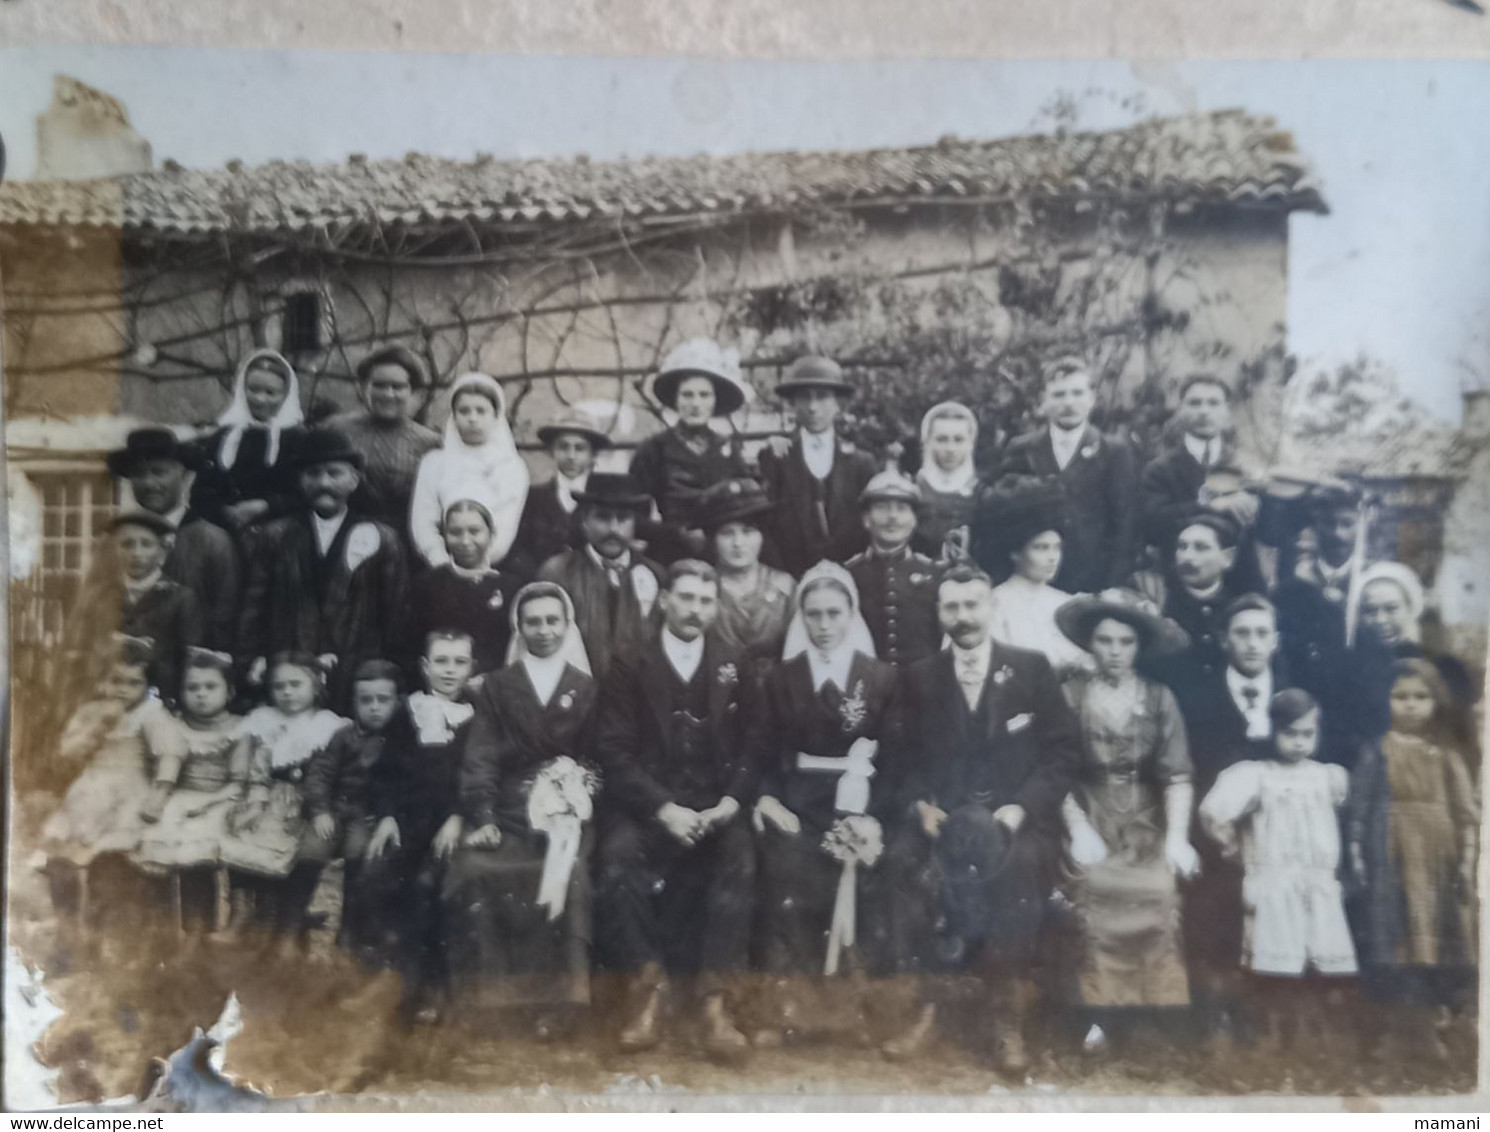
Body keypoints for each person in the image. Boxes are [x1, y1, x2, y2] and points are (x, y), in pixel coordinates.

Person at [878, 565, 1081, 1074]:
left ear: (992, 608)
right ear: (939, 613)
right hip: (943, 821)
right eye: (952, 607)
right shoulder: (919, 676)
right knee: (903, 866)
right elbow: (895, 761)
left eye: (973, 605)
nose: (963, 617)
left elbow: (1062, 756)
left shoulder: (1032, 669)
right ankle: (928, 1007)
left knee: (1020, 872)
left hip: (1015, 819)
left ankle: (1003, 1016)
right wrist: (920, 807)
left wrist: (1022, 806)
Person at [593, 561, 764, 1061]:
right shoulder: (630, 663)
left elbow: (755, 744)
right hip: (649, 807)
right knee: (619, 857)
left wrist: (730, 802)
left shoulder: (735, 660)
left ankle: (715, 1003)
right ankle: (649, 992)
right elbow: (614, 750)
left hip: (713, 806)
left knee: (739, 857)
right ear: (664, 599)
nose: (696, 610)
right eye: (686, 598)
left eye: (706, 601)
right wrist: (662, 808)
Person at [750, 562, 897, 1044]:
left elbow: (897, 757)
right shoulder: (781, 677)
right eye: (814, 615)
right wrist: (768, 799)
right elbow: (763, 752)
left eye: (835, 613)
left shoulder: (879, 677)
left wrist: (876, 816)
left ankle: (852, 1011)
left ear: (852, 614)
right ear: (802, 618)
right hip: (799, 798)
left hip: (861, 802)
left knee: (864, 875)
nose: (825, 625)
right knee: (789, 872)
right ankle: (786, 1008)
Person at [444, 582, 600, 1031]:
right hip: (509, 810)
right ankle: (487, 999)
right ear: (520, 626)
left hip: (569, 813)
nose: (544, 630)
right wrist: (485, 817)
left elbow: (595, 757)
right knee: (474, 871)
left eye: (553, 620)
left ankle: (559, 1004)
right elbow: (482, 757)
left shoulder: (586, 687)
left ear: (567, 625)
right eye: (533, 621)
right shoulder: (496, 686)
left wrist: (577, 791)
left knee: (568, 875)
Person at [1052, 589, 1196, 1053]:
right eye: (1104, 640)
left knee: (1157, 888)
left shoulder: (1160, 698)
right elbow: (1055, 770)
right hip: (1087, 810)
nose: (1114, 651)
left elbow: (1176, 775)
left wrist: (1176, 838)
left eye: (1125, 642)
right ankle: (1100, 1016)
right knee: (1095, 888)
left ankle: (1155, 1015)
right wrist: (1077, 827)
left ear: (1139, 647)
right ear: (1090, 644)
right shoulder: (1071, 695)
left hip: (1144, 820)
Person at [1200, 690, 1358, 1052]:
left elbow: (1347, 820)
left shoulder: (1328, 778)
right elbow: (1214, 813)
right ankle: (1270, 1029)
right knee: (1275, 960)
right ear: (1272, 732)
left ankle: (1312, 1033)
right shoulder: (1258, 776)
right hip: (1275, 879)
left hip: (1316, 881)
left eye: (1307, 734)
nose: (1299, 743)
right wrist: (1236, 849)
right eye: (1290, 734)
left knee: (1318, 957)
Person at [1170, 594, 1287, 1044]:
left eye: (1261, 633)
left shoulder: (1293, 698)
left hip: (1279, 832)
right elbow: (1190, 770)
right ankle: (1216, 1006)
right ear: (1223, 640)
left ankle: (1267, 1006)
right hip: (1214, 830)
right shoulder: (1200, 700)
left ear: (1275, 641)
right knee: (1214, 899)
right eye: (1241, 633)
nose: (1252, 644)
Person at [1347, 659, 1478, 1060]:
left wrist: (1467, 862)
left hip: (1437, 858)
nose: (1410, 705)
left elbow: (1466, 817)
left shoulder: (1446, 756)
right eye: (1400, 697)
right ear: (1386, 701)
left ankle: (1431, 1027)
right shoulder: (1376, 752)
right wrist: (1357, 853)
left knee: (1435, 936)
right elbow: (1359, 811)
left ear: (1436, 702)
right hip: (1391, 855)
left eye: (1420, 697)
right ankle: (1399, 1028)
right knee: (1395, 936)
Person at [237, 428, 408, 711]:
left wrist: (390, 673)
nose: (323, 482)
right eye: (313, 473)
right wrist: (250, 660)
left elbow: (396, 616)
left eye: (334, 473)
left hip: (355, 672)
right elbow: (253, 607)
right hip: (290, 673)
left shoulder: (382, 538)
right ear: (301, 480)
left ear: (354, 479)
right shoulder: (276, 536)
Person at [42, 636, 187, 938]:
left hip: (128, 792)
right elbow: (67, 752)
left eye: (133, 683)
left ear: (147, 685)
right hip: (90, 791)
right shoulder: (93, 711)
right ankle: (67, 927)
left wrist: (159, 794)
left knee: (110, 858)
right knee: (66, 853)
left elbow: (170, 755)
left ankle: (109, 929)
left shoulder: (150, 714)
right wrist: (92, 731)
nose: (122, 689)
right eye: (115, 680)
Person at [366, 631, 478, 1024]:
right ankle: (389, 972)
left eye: (459, 662)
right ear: (426, 667)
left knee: (430, 885)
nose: (450, 670)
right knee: (379, 873)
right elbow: (386, 772)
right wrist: (387, 817)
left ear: (472, 668)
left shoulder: (476, 716)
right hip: (409, 819)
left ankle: (432, 982)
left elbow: (476, 774)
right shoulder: (407, 712)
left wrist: (459, 816)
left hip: (452, 822)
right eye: (442, 662)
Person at [217, 654, 348, 956]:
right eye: (278, 686)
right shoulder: (262, 719)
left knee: (299, 849)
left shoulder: (327, 725)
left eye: (295, 684)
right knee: (244, 832)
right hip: (261, 793)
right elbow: (251, 765)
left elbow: (331, 775)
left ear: (316, 685)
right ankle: (243, 914)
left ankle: (289, 925)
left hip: (306, 803)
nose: (287, 693)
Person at [993, 358, 1137, 591]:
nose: (1069, 403)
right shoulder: (1022, 448)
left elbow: (1125, 526)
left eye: (1077, 393)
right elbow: (1007, 521)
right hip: (1036, 580)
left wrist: (1112, 585)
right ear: (1044, 401)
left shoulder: (1114, 451)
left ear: (1091, 399)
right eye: (1059, 395)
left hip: (1093, 580)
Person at [135, 648, 246, 940]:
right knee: (155, 850)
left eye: (211, 687)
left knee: (197, 856)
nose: (201, 695)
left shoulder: (239, 729)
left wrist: (208, 803)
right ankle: (161, 929)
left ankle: (198, 929)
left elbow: (239, 782)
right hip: (176, 799)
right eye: (192, 688)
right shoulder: (172, 725)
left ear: (230, 692)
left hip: (218, 801)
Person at [299, 659, 404, 963]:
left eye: (383, 700)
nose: (374, 708)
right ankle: (293, 927)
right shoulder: (343, 736)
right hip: (335, 809)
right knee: (308, 852)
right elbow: (320, 773)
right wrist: (320, 810)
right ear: (354, 703)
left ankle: (349, 932)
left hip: (367, 815)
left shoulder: (400, 741)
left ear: (397, 702)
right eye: (365, 700)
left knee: (361, 858)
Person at [104, 427, 240, 651]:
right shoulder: (115, 543)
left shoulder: (212, 541)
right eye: (139, 473)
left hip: (191, 675)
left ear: (184, 475)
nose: (149, 483)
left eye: (159, 472)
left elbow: (225, 622)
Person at [59, 512, 203, 716]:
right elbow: (78, 652)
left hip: (161, 705)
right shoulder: (98, 596)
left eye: (146, 544)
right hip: (104, 703)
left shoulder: (181, 598)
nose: (136, 553)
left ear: (162, 552)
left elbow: (192, 660)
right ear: (114, 551)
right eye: (127, 544)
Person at [1337, 562, 1478, 767]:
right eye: (1370, 611)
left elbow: (1463, 737)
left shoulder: (1445, 667)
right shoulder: (1351, 667)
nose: (1380, 619)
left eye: (1391, 608)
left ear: (1411, 607)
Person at [1137, 374, 1264, 593]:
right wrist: (1209, 504)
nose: (1204, 411)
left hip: (1239, 584)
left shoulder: (1246, 467)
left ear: (1226, 411)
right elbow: (1152, 526)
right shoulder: (1160, 469)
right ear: (1181, 410)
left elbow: (1263, 530)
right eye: (1195, 403)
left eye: (1213, 403)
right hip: (1178, 585)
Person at [629, 339, 751, 564]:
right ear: (676, 401)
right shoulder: (654, 449)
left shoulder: (727, 448)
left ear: (714, 401)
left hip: (722, 555)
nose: (696, 404)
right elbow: (632, 519)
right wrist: (677, 534)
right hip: (671, 555)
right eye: (687, 395)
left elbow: (747, 506)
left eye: (704, 395)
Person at [536, 473, 664, 683]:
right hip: (575, 695)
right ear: (585, 520)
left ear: (634, 523)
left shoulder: (654, 575)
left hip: (636, 700)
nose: (614, 529)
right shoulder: (556, 573)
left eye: (623, 519)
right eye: (603, 517)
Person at [757, 355, 878, 575]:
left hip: (849, 577)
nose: (812, 407)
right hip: (791, 575)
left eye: (822, 397)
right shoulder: (776, 457)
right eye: (804, 398)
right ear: (793, 404)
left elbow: (870, 527)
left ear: (838, 404)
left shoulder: (861, 462)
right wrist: (782, 575)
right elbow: (764, 526)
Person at [409, 372, 530, 568]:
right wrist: (440, 561)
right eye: (464, 411)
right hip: (439, 566)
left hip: (493, 566)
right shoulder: (434, 463)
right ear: (454, 416)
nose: (472, 418)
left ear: (496, 416)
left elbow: (506, 525)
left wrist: (480, 564)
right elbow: (423, 520)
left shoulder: (511, 466)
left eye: (481, 411)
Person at [189, 348, 307, 534]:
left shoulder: (298, 438)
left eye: (270, 392)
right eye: (253, 390)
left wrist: (266, 506)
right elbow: (200, 493)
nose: (260, 399)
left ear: (285, 395)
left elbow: (304, 494)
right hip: (224, 527)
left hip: (278, 530)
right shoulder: (224, 436)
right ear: (242, 390)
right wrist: (224, 512)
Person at [981, 479, 1091, 677]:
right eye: (1041, 548)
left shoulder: (1067, 602)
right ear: (1015, 553)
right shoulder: (996, 604)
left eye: (1057, 547)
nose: (1052, 557)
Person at [1271, 483, 1369, 704]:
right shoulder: (1290, 590)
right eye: (1329, 523)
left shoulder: (1373, 583)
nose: (1338, 534)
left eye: (1347, 524)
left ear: (1361, 526)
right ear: (1316, 527)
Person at [405, 499, 526, 677]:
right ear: (444, 536)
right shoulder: (426, 585)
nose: (465, 541)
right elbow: (410, 647)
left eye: (474, 531)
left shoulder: (511, 587)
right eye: (455, 532)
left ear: (491, 534)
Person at [329, 345, 441, 531]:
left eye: (398, 387)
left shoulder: (430, 443)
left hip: (407, 539)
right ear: (365, 387)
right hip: (344, 534)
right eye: (379, 385)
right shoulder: (336, 430)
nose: (388, 394)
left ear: (411, 391)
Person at [1133, 512, 1252, 688]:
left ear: (1228, 558)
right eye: (1182, 547)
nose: (1188, 557)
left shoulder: (1240, 609)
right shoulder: (1157, 600)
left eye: (1201, 547)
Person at [697, 477, 796, 669]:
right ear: (712, 540)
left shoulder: (785, 587)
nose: (738, 543)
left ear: (761, 537)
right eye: (727, 533)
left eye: (748, 531)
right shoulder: (701, 587)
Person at [846, 471, 942, 667]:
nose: (893, 516)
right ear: (866, 519)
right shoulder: (849, 574)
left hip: (921, 685)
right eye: (882, 507)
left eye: (902, 508)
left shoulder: (934, 574)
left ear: (914, 520)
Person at [510, 409, 611, 577]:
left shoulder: (603, 497)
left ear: (593, 454)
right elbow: (520, 549)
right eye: (563, 447)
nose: (571, 456)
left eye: (580, 449)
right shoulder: (533, 497)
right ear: (551, 451)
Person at [913, 401, 981, 562]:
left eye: (958, 440)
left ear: (970, 443)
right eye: (942, 439)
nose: (950, 449)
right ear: (927, 442)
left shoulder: (984, 489)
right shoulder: (913, 489)